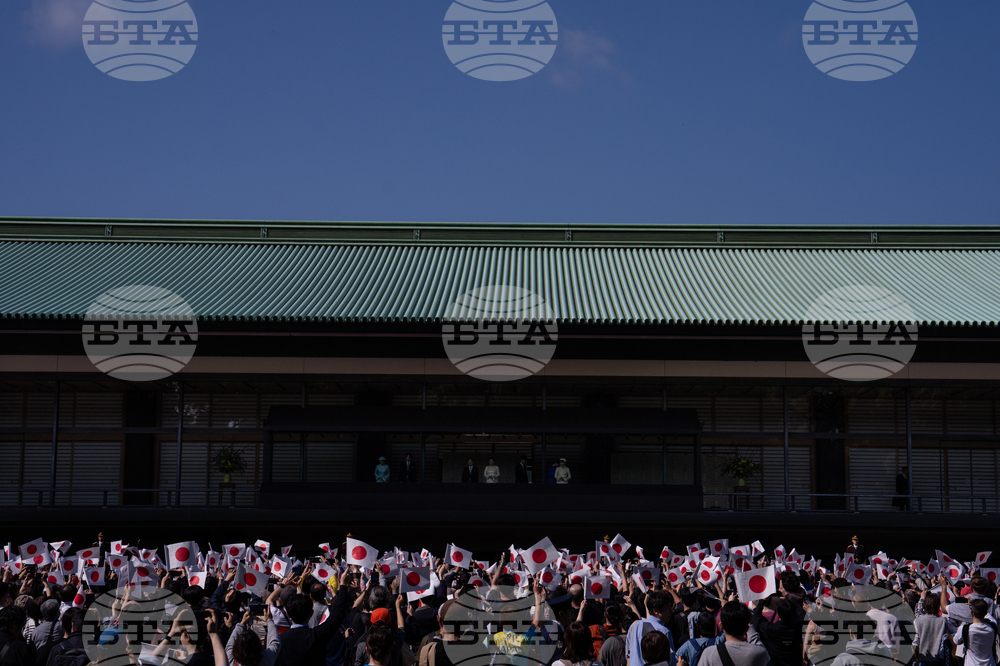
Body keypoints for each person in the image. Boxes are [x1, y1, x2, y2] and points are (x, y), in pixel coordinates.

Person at [276, 585, 350, 666]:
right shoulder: (316, 636)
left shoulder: (279, 641)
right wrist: (343, 585)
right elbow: (337, 615)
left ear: (288, 614)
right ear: (311, 613)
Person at [699, 602, 770, 666]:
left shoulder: (709, 654)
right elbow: (759, 645)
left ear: (721, 626)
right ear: (747, 628)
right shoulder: (759, 653)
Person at [625, 591, 675, 666]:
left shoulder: (635, 625)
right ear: (656, 610)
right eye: (668, 608)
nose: (671, 611)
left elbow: (627, 654)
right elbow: (670, 661)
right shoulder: (663, 631)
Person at [752, 596, 801, 666]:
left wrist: (762, 601)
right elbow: (801, 612)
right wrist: (791, 598)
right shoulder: (798, 627)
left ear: (778, 613)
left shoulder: (772, 629)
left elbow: (756, 619)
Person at [954, 600, 999, 666]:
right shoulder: (993, 627)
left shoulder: (964, 629)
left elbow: (956, 641)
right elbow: (990, 618)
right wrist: (978, 605)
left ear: (971, 613)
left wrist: (973, 604)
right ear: (985, 612)